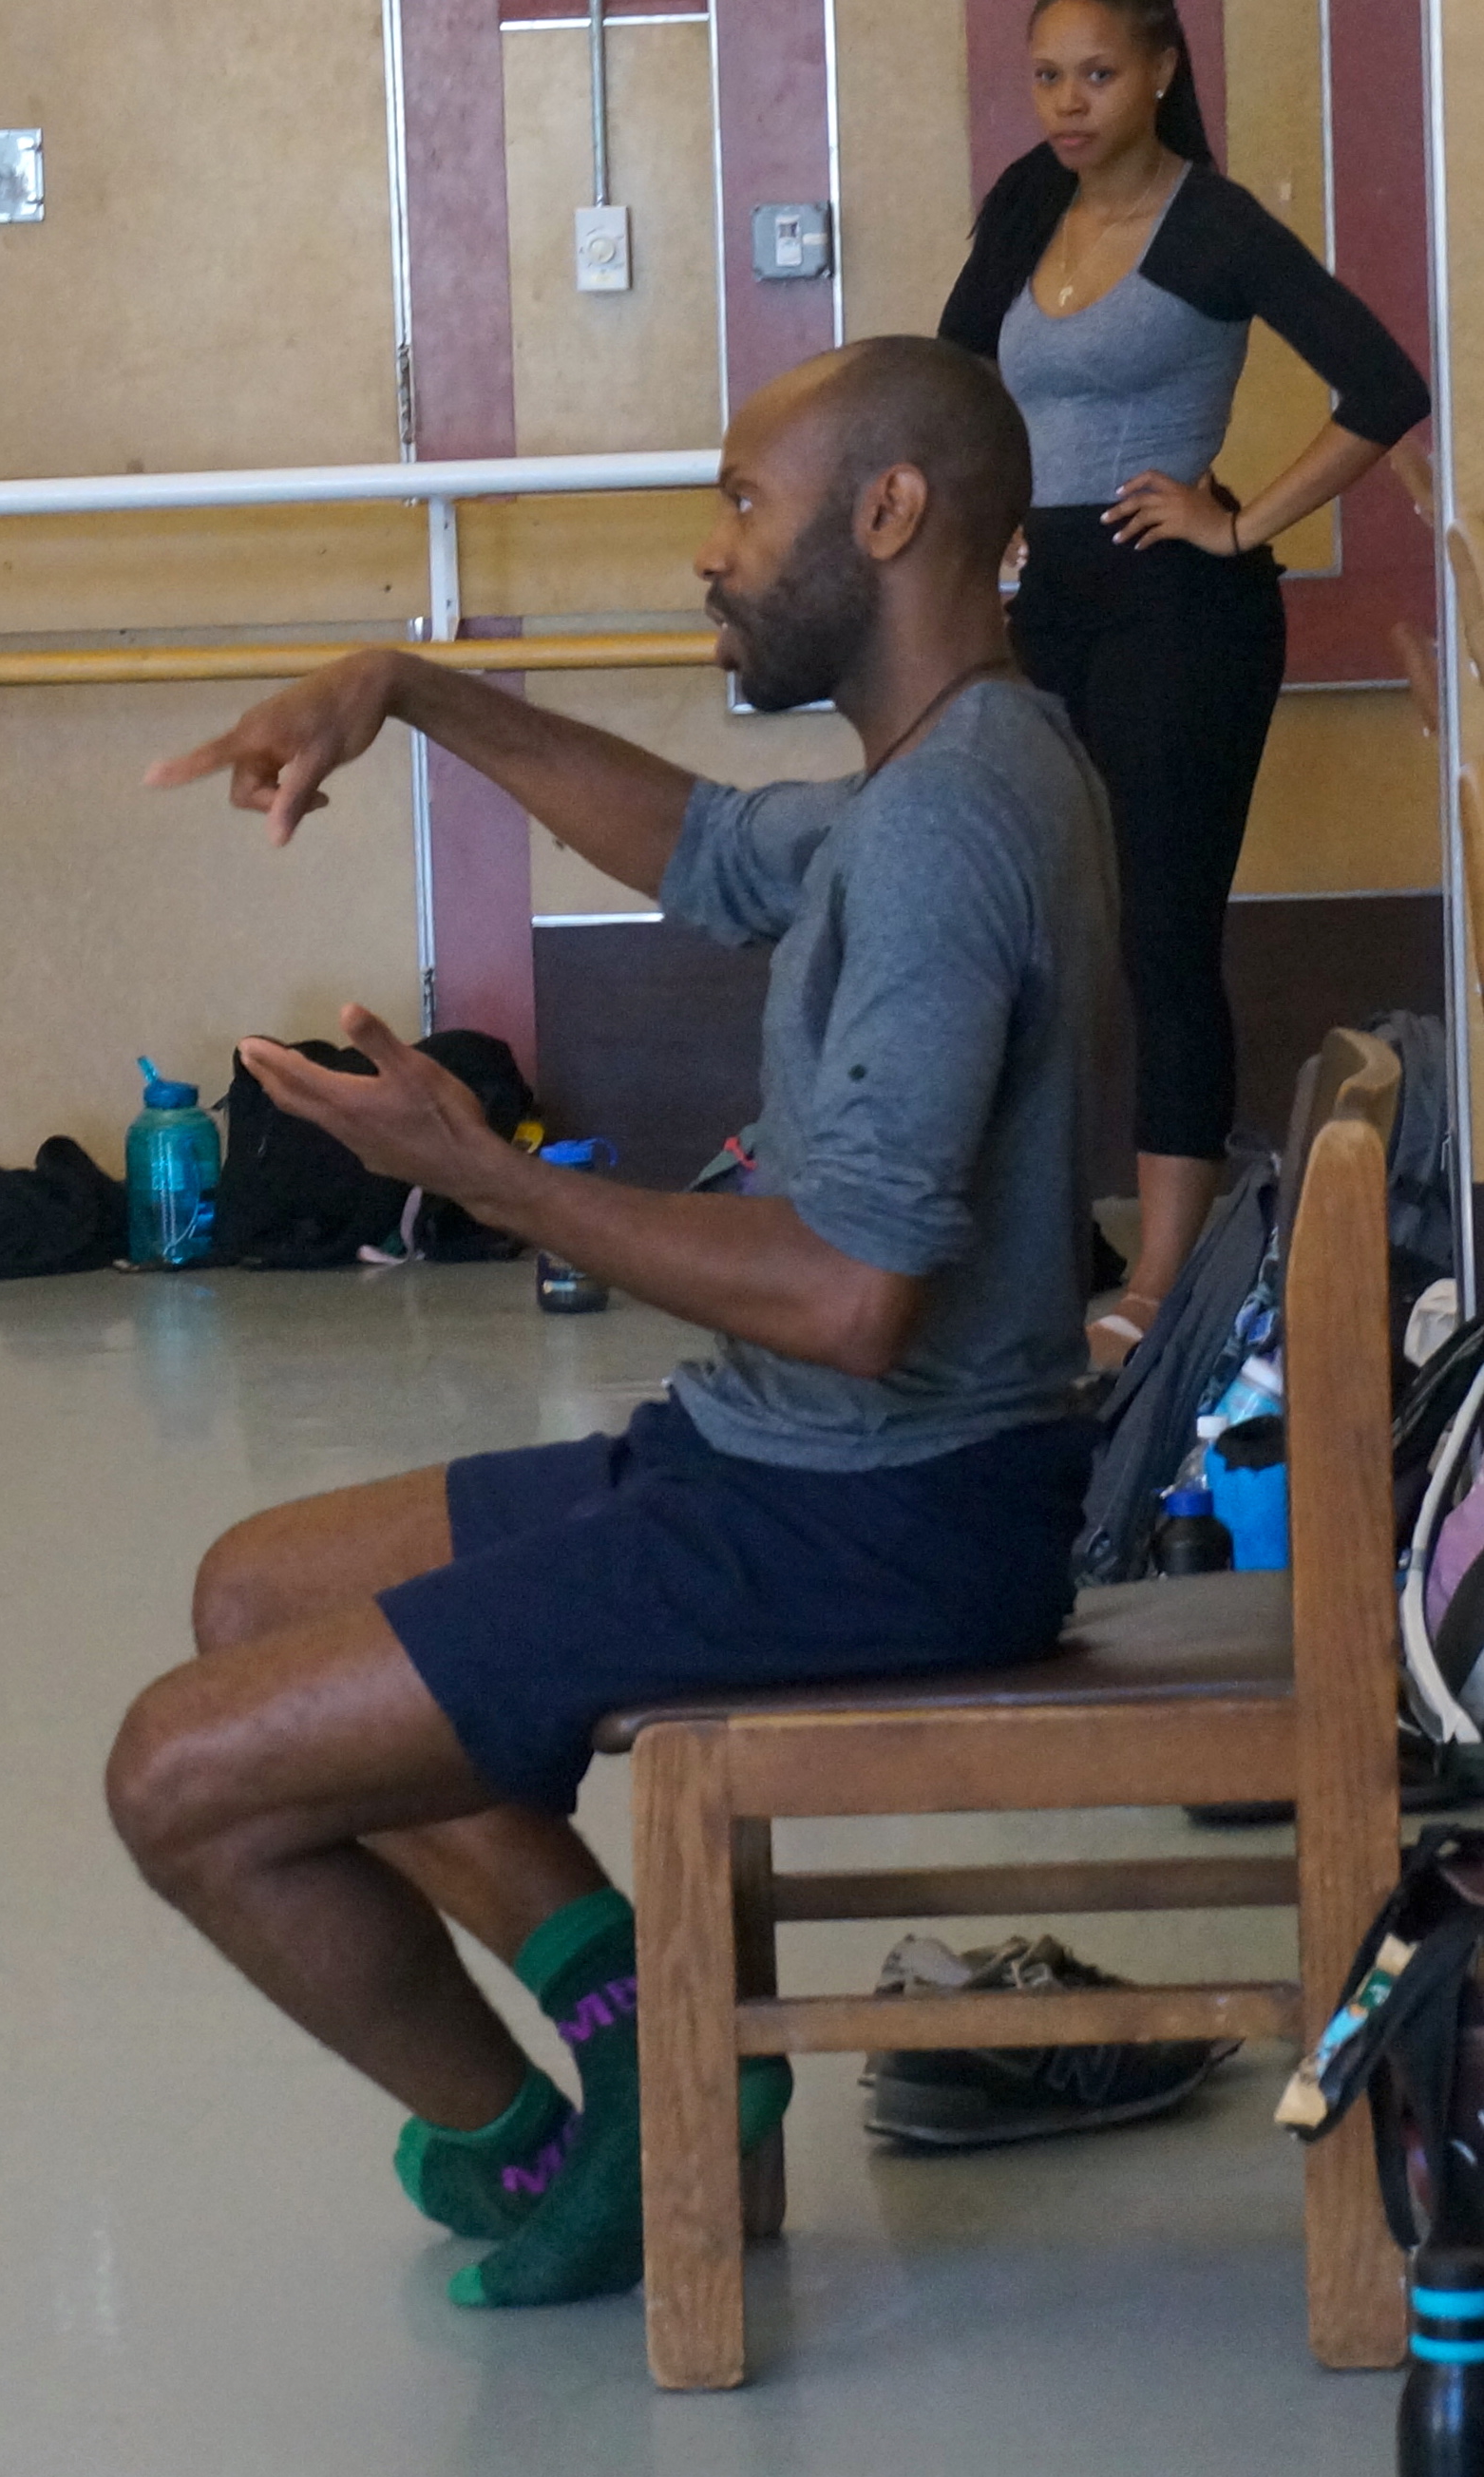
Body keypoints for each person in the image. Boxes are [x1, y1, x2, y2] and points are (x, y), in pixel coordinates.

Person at [111, 339, 1112, 2310]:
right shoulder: (962, 766)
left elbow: (847, 1299)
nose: (710, 552)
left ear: (887, 513)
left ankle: (558, 2130)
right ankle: (653, 2057)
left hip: (874, 1514)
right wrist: (404, 686)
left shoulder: (947, 831)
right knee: (256, 1588)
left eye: (744, 502)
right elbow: (705, 850)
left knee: (175, 1774)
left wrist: (489, 1177)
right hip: (810, 1467)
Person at [939, 0, 1428, 1364]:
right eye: (1048, 75)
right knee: (1035, 929)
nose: (1068, 101)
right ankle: (1045, 1241)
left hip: (1181, 613)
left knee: (1162, 933)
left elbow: (1384, 384)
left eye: (1098, 73)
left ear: (1160, 72)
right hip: (1048, 608)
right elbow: (952, 374)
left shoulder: (1213, 224)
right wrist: (985, 524)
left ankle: (1158, 1282)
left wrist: (1239, 519)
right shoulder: (1028, 202)